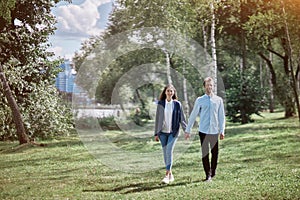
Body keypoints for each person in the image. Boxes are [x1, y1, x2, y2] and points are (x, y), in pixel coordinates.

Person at [185, 77, 225, 182]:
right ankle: (208, 175)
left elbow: (221, 116)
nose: (209, 87)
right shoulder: (200, 100)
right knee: (205, 153)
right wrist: (188, 130)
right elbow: (193, 115)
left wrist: (222, 130)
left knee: (215, 153)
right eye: (207, 85)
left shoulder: (218, 100)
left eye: (211, 85)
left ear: (213, 86)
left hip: (214, 131)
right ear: (204, 86)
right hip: (203, 130)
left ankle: (213, 171)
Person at [154, 84, 187, 184]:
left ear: (173, 93)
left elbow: (182, 118)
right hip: (162, 133)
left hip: (173, 132)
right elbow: (157, 119)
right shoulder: (160, 104)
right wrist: (156, 133)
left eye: (171, 91)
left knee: (169, 151)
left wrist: (186, 130)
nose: (169, 93)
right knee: (165, 153)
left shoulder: (177, 104)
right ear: (165, 92)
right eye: (168, 91)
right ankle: (170, 174)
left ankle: (167, 175)